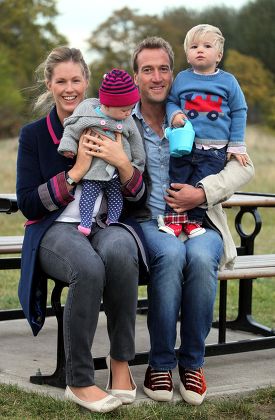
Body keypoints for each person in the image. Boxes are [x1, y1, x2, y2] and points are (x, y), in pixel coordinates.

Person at [16, 46, 148, 413]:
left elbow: (138, 197)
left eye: (76, 80)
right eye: (61, 81)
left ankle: (120, 364)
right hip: (54, 229)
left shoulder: (117, 124)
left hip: (105, 222)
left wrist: (122, 163)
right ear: (49, 84)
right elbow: (27, 203)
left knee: (122, 252)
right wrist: (76, 171)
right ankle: (79, 379)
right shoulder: (35, 135)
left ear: (87, 82)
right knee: (86, 267)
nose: (69, 88)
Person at [130, 36, 254, 406]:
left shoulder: (198, 117)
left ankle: (193, 363)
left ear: (174, 73)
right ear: (135, 76)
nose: (156, 76)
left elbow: (244, 170)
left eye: (163, 69)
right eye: (147, 69)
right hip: (153, 222)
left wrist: (202, 193)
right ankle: (161, 363)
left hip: (205, 221)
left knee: (200, 258)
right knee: (170, 255)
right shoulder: (126, 121)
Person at [159, 24, 249, 239]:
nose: (200, 50)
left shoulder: (227, 81)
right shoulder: (182, 78)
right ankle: (174, 220)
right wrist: (175, 115)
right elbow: (171, 102)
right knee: (178, 179)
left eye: (207, 46)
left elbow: (239, 110)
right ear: (187, 54)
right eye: (194, 46)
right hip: (184, 145)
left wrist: (236, 144)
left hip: (214, 150)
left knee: (202, 184)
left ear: (218, 55)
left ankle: (194, 222)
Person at [58, 68, 145, 236]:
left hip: (116, 175)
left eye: (131, 108)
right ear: (106, 104)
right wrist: (68, 147)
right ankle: (85, 224)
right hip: (93, 171)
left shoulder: (128, 121)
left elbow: (136, 144)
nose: (128, 113)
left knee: (116, 198)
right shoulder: (88, 114)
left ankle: (112, 221)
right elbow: (71, 129)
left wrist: (136, 165)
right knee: (88, 196)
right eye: (124, 109)